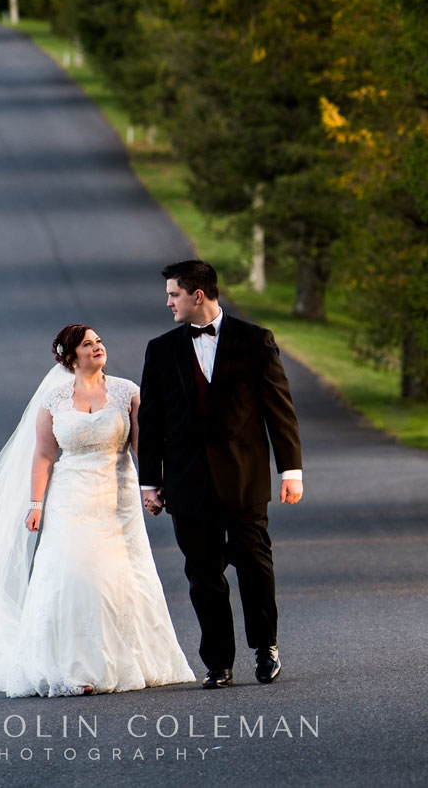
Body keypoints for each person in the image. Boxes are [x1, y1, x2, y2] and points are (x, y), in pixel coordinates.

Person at [0, 325, 197, 696]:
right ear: (70, 356)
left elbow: (143, 446)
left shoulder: (127, 392)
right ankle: (72, 667)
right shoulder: (55, 400)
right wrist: (35, 504)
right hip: (69, 497)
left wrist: (153, 488)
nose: (97, 348)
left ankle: (131, 659)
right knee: (72, 575)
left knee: (118, 577)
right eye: (88, 344)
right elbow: (44, 454)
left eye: (99, 342)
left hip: (116, 497)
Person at [138, 259, 303, 688]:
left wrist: (291, 470)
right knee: (202, 572)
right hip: (187, 482)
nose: (169, 302)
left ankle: (265, 648)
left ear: (198, 295)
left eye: (174, 295)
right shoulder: (161, 350)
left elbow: (279, 411)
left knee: (254, 564)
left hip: (245, 477)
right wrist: (150, 482)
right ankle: (218, 662)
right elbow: (152, 423)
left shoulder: (255, 341)